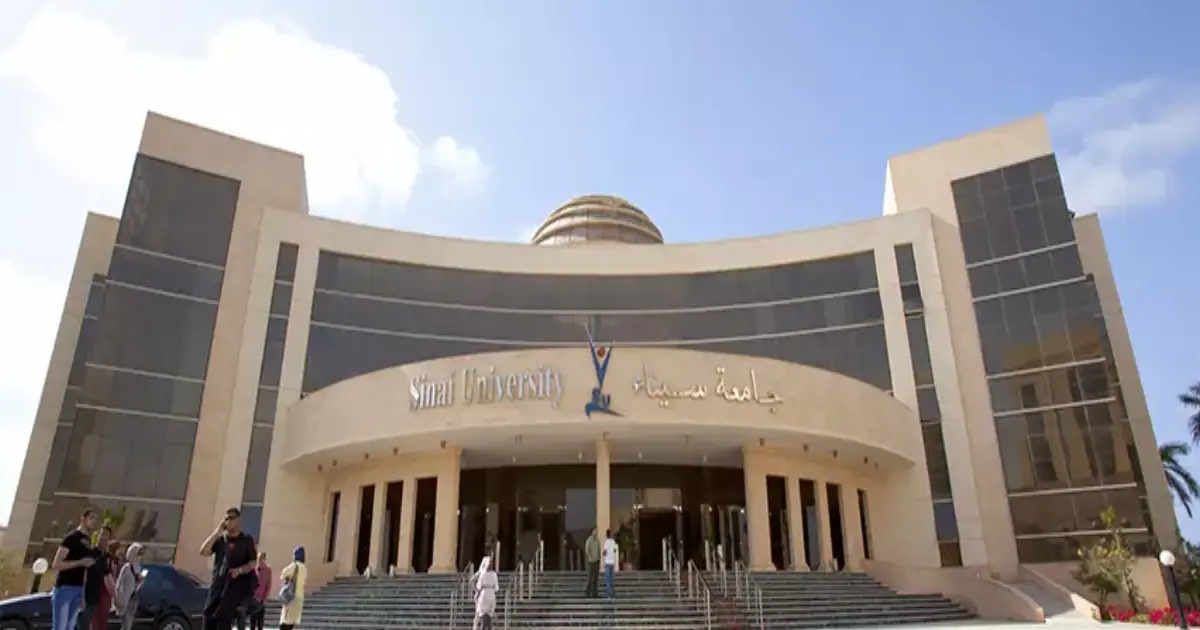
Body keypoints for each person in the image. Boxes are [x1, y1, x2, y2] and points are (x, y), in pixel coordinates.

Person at [200, 507, 258, 630]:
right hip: (216, 587)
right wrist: (217, 531)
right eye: (226, 519)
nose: (228, 521)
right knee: (207, 620)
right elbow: (204, 551)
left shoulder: (246, 540)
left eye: (231, 518)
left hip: (232, 589)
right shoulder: (221, 540)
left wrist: (240, 570)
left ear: (238, 520)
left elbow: (252, 563)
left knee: (224, 622)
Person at [51, 508, 99, 630]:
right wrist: (80, 562)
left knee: (70, 626)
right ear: (83, 519)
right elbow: (56, 564)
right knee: (60, 627)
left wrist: (83, 594)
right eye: (91, 518)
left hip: (78, 589)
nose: (94, 521)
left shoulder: (87, 542)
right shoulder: (71, 538)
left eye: (95, 519)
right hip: (65, 588)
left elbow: (85, 570)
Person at [77, 525, 115, 630]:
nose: (103, 538)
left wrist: (115, 598)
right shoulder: (89, 553)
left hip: (94, 599)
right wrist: (81, 597)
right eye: (101, 534)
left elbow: (108, 578)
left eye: (106, 536)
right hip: (84, 597)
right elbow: (81, 574)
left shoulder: (105, 557)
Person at [115, 543, 145, 630]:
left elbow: (137, 585)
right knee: (126, 624)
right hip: (125, 599)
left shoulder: (138, 568)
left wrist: (141, 581)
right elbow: (119, 583)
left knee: (128, 623)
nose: (139, 557)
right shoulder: (126, 567)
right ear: (133, 554)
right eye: (138, 554)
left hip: (134, 598)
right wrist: (117, 599)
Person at [278, 547, 308, 630]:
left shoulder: (295, 566)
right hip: (299, 598)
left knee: (284, 623)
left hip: (291, 597)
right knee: (291, 624)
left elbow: (283, 573)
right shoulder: (304, 568)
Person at [247, 553, 271, 630]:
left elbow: (268, 585)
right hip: (253, 598)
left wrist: (265, 598)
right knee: (252, 621)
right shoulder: (254, 569)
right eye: (258, 558)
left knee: (260, 621)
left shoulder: (268, 569)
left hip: (261, 599)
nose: (259, 560)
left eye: (261, 558)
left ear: (264, 559)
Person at [473, 556, 498, 630]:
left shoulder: (482, 574)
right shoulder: (494, 574)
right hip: (491, 595)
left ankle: (477, 627)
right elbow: (496, 588)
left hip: (483, 595)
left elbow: (478, 585)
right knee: (489, 618)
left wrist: (477, 592)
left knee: (481, 616)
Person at [583, 529, 600, 598]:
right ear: (592, 533)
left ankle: (595, 594)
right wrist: (591, 558)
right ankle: (587, 593)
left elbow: (599, 550)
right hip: (590, 562)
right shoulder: (589, 541)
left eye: (596, 533)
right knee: (589, 578)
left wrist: (598, 558)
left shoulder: (598, 541)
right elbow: (587, 551)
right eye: (594, 533)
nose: (595, 534)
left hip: (596, 562)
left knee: (595, 579)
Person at [602, 529, 618, 600]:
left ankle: (609, 595)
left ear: (606, 535)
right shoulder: (613, 542)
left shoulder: (606, 542)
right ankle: (613, 594)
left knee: (608, 580)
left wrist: (603, 554)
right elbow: (615, 550)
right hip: (612, 562)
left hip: (607, 562)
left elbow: (604, 552)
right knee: (612, 580)